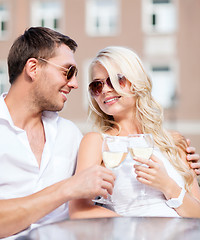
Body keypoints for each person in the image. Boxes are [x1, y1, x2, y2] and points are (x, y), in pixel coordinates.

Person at [0, 27, 116, 239]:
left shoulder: (69, 133)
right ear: (33, 68)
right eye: (68, 71)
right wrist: (67, 189)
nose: (74, 84)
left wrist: (177, 160)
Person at [69, 46, 200, 219]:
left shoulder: (174, 142)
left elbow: (197, 215)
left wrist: (168, 186)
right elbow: (78, 211)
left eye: (116, 80)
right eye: (97, 85)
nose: (106, 90)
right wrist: (137, 228)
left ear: (136, 81)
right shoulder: (97, 142)